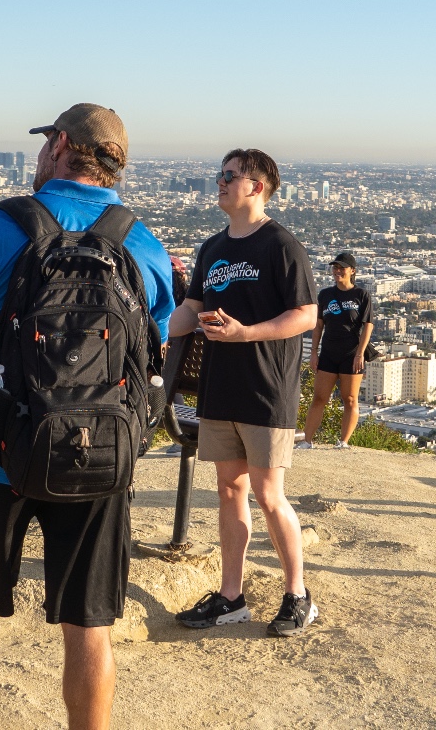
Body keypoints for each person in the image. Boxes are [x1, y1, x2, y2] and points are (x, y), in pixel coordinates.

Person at [0, 104, 175, 730]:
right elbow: (146, 355)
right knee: (90, 628)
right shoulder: (144, 244)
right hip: (100, 456)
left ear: (59, 145)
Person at [169, 148, 320, 638]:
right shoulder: (212, 247)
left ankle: (298, 594)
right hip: (220, 387)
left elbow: (306, 314)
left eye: (229, 176)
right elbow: (191, 309)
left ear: (256, 186)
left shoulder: (281, 245)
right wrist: (157, 316)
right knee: (229, 490)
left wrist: (246, 333)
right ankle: (231, 597)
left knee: (268, 494)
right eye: (220, 174)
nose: (220, 182)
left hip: (265, 389)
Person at [300, 252, 374, 450]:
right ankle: (307, 441)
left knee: (350, 398)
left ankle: (344, 441)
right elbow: (318, 326)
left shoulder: (361, 295)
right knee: (319, 398)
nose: (337, 271)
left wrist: (360, 353)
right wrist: (314, 352)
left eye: (342, 268)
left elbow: (368, 326)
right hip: (328, 353)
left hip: (351, 354)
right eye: (335, 267)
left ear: (352, 271)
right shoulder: (325, 294)